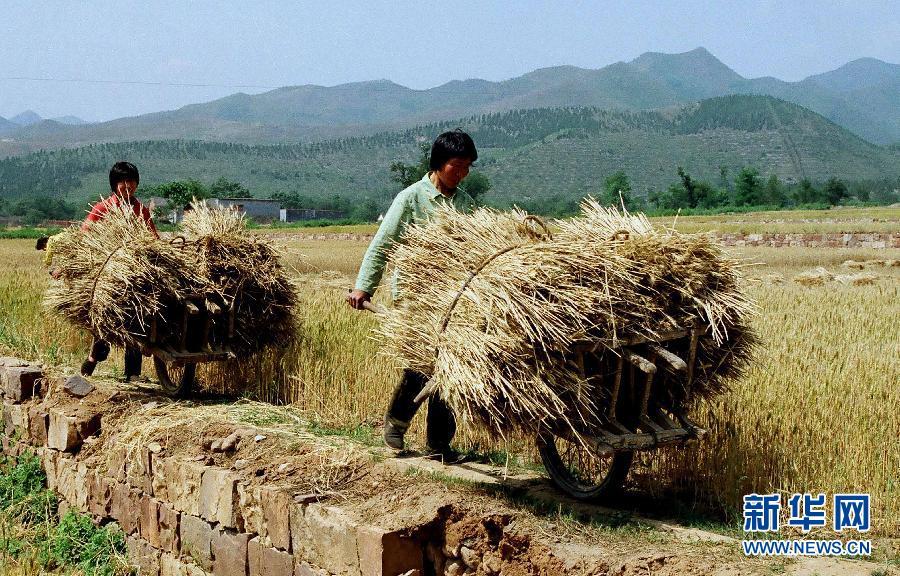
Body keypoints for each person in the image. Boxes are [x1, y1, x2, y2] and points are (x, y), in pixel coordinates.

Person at [348, 129, 478, 459]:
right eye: (456, 165)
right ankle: (395, 425)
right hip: (416, 297)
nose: (461, 174)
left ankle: (438, 444)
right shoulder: (411, 198)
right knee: (420, 366)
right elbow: (382, 245)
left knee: (450, 369)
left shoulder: (466, 204)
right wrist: (364, 287)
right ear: (438, 163)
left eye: (467, 167)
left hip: (452, 299)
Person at [80, 161, 160, 380]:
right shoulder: (103, 208)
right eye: (122, 181)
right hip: (110, 274)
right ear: (114, 184)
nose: (128, 185)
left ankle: (133, 373)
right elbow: (85, 234)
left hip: (135, 273)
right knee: (106, 318)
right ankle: (94, 357)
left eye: (131, 181)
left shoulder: (141, 210)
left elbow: (154, 239)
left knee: (138, 316)